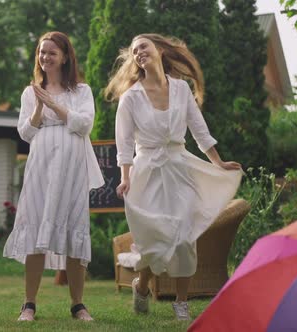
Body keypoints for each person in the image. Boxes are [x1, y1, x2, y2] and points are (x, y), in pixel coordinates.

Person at [106, 33, 242, 321]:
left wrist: (218, 162)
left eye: (143, 46)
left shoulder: (181, 89)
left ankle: (181, 302)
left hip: (180, 169)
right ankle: (141, 287)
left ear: (159, 50)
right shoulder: (130, 98)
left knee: (183, 237)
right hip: (146, 174)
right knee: (154, 239)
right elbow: (124, 143)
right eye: (134, 50)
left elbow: (199, 130)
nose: (139, 52)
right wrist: (125, 177)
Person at [3, 31, 104, 322]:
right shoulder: (29, 91)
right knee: (35, 226)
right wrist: (38, 105)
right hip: (41, 166)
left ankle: (78, 305)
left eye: (51, 52)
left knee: (74, 228)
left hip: (72, 168)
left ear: (64, 56)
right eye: (41, 52)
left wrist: (55, 104)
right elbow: (26, 133)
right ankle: (29, 304)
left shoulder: (81, 91)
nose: (45, 57)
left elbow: (84, 125)